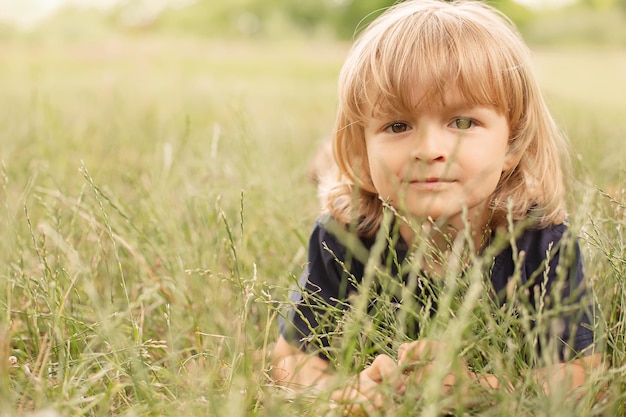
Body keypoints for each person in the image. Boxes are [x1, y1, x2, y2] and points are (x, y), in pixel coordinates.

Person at [272, 0, 602, 412]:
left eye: (462, 123)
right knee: (330, 181)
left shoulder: (540, 241)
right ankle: (328, 164)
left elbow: (586, 373)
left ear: (512, 145)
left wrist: (487, 387)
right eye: (398, 125)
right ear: (362, 151)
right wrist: (343, 391)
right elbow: (289, 359)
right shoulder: (345, 235)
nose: (429, 150)